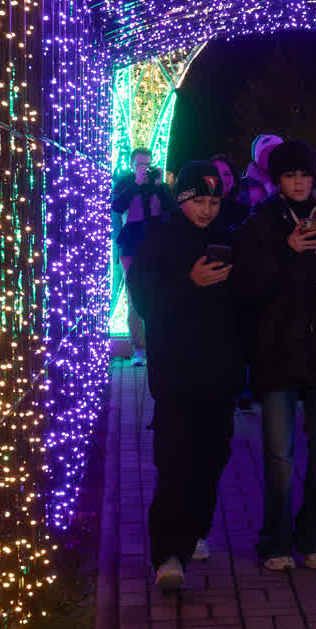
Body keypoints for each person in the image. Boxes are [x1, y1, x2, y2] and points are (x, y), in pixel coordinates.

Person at [231, 139, 316, 570]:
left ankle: (315, 535)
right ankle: (275, 541)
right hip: (277, 352)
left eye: (305, 175)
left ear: (315, 179)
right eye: (290, 175)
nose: (298, 183)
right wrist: (285, 252)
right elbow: (247, 288)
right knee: (279, 454)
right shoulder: (259, 225)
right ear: (277, 180)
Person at [125, 162, 242, 590]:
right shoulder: (159, 236)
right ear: (182, 200)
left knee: (212, 458)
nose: (207, 210)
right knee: (175, 462)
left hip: (221, 371)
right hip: (175, 371)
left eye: (214, 202)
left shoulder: (230, 235)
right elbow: (144, 298)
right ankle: (167, 556)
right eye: (199, 201)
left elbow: (249, 300)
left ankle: (194, 531)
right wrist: (189, 282)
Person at [111, 147, 174, 366]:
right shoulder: (125, 183)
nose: (144, 168)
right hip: (130, 244)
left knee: (158, 292)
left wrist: (160, 187)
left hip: (155, 243)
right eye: (140, 164)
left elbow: (171, 208)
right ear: (132, 165)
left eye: (147, 164)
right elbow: (117, 207)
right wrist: (136, 184)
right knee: (134, 295)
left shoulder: (157, 183)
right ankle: (139, 348)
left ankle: (159, 345)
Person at [240, 134, 281, 207]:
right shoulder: (243, 186)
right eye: (267, 152)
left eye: (278, 151)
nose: (274, 156)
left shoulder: (293, 182)